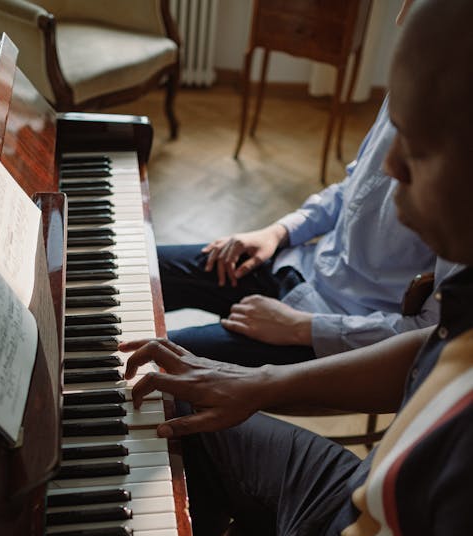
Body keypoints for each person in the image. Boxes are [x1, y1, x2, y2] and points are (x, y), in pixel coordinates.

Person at [120, 0, 473, 536]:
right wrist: (258, 385)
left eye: (419, 144)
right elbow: (431, 347)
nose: (391, 165)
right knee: (179, 408)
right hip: (351, 495)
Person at [156, 0, 454, 368]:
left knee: (156, 362)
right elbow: (353, 189)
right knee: (139, 269)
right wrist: (279, 231)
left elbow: (431, 333)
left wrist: (304, 328)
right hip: (300, 265)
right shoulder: (412, 85)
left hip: (334, 327)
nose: (402, 13)